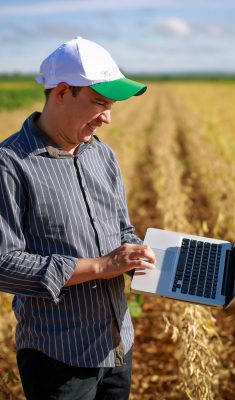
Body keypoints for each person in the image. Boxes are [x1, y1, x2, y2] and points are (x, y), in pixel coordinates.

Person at [0, 36, 156, 400]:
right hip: (58, 358)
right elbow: (4, 264)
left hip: (118, 344)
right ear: (62, 92)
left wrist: (144, 260)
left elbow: (122, 229)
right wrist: (102, 266)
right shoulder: (10, 164)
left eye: (111, 105)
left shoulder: (103, 155)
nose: (108, 117)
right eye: (100, 103)